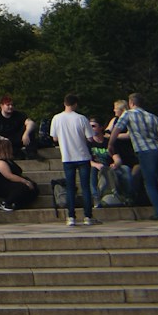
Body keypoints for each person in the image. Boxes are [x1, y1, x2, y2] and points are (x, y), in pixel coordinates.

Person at [112, 92, 158, 221]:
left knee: (150, 183)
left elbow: (117, 129)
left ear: (131, 103)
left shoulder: (128, 114)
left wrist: (110, 143)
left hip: (145, 151)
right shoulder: (153, 117)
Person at [50, 93, 98, 226]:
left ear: (64, 103)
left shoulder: (56, 118)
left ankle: (71, 216)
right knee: (85, 187)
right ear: (75, 104)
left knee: (70, 187)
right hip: (82, 155)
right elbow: (90, 138)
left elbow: (54, 137)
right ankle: (88, 216)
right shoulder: (82, 119)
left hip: (67, 156)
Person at [0, 139, 38, 211]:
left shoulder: (9, 161)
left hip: (10, 183)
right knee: (22, 187)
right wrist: (25, 181)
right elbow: (9, 176)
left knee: (34, 187)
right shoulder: (0, 163)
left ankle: (18, 204)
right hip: (1, 185)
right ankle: (6, 203)